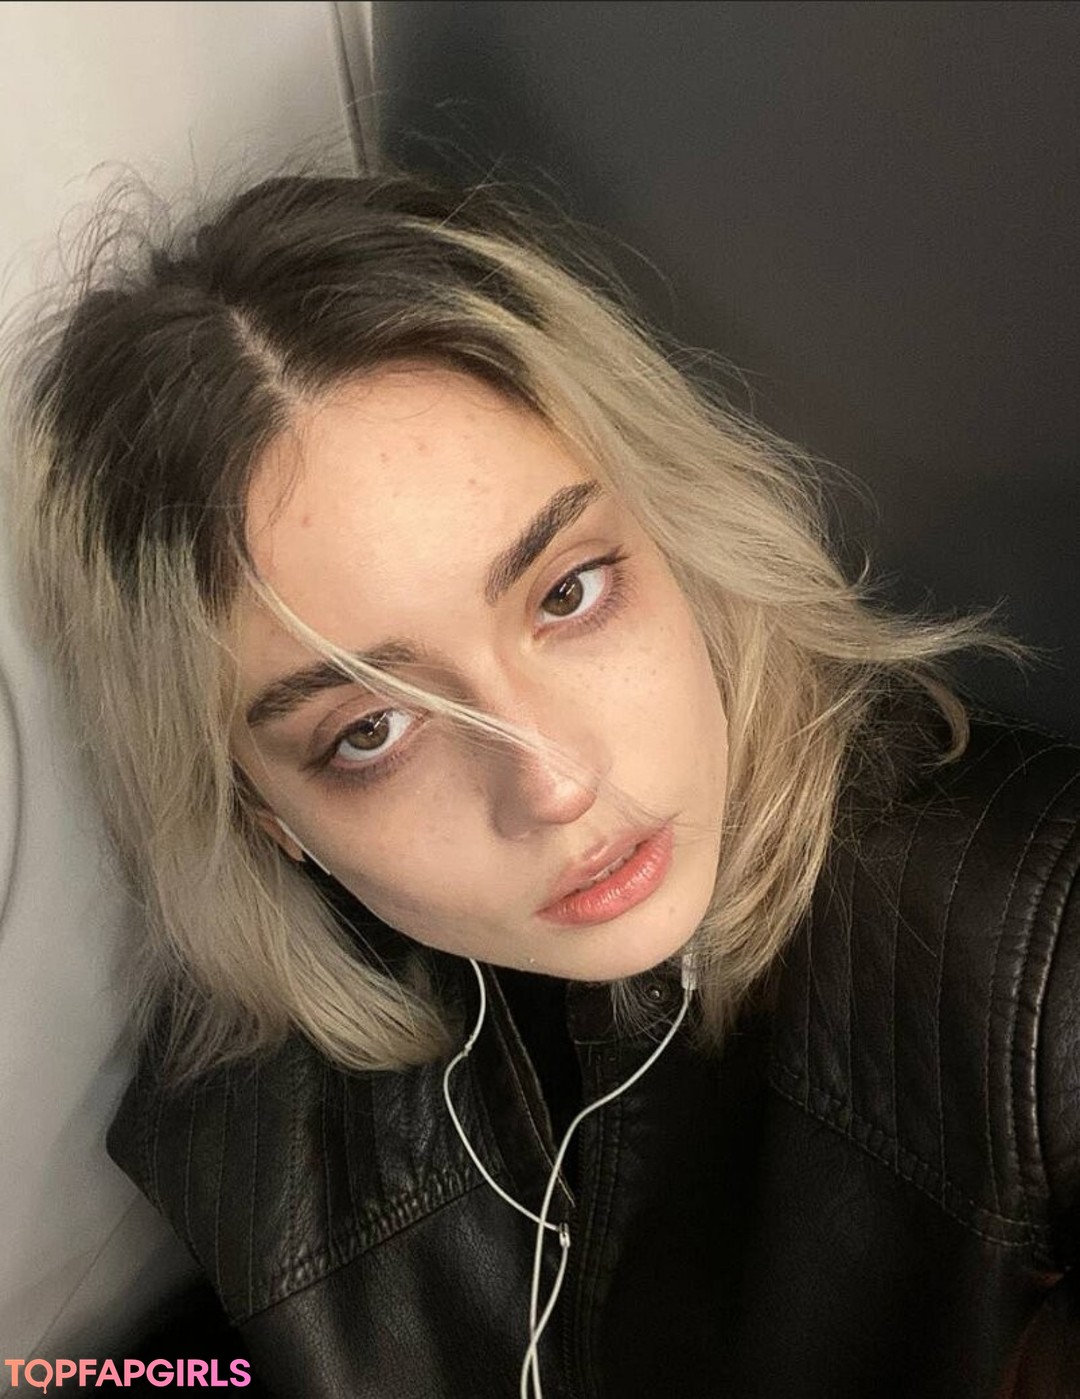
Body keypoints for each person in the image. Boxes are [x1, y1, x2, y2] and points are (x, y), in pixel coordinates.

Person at [6, 169, 1080, 1398]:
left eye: (568, 592)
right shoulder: (249, 1121)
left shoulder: (1039, 959)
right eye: (372, 729)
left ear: (670, 530)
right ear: (262, 812)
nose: (556, 783)